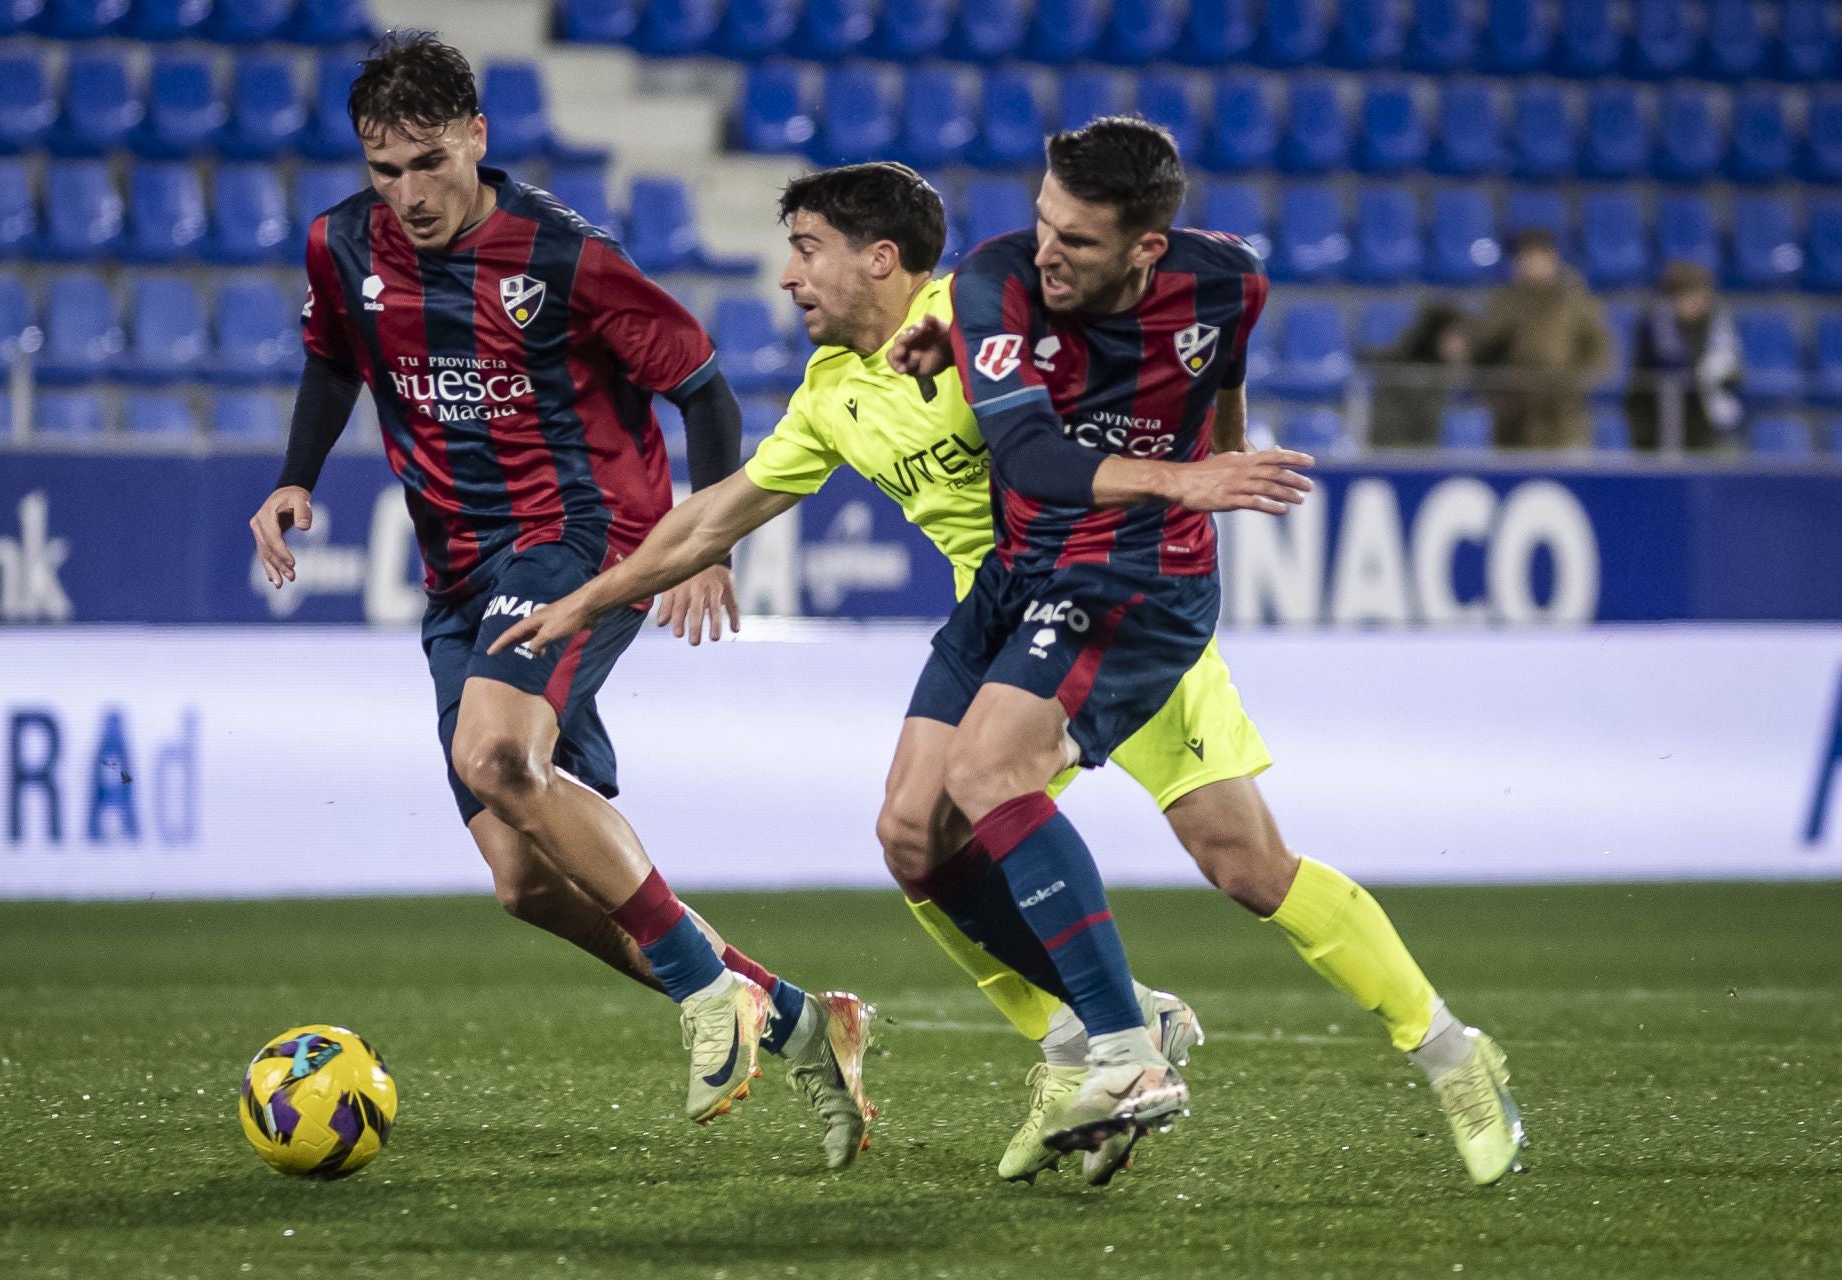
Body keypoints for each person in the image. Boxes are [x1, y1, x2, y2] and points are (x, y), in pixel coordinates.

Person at [496, 135, 1525, 1189]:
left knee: (1246, 863)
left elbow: (1193, 342)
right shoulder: (832, 392)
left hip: (1115, 590)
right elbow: (715, 514)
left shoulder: (985, 306)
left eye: (806, 248)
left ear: (884, 259)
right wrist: (591, 597)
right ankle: (1087, 1039)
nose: (787, 275)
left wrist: (1212, 452)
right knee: (912, 835)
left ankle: (1447, 1049)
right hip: (1003, 610)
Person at [244, 30, 874, 1169]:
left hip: (584, 536)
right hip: (457, 571)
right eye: (385, 170)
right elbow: (334, 360)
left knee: (497, 754)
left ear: (476, 137)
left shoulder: (566, 257)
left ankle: (701, 992)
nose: (408, 194)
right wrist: (293, 475)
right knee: (525, 878)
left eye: (429, 162)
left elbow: (702, 385)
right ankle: (792, 1016)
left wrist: (707, 544)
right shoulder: (342, 245)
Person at [1475, 229, 1611, 449]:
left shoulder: (1574, 299)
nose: (1530, 263)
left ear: (1551, 259)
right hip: (1513, 418)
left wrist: (1574, 381)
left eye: (1536, 256)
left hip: (1563, 416)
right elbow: (1482, 347)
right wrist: (1496, 391)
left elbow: (1598, 347)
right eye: (1524, 257)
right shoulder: (1504, 299)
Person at [1627, 260, 1743, 452]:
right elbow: (1661, 368)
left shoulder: (1720, 327)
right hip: (1658, 428)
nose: (1694, 302)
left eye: (1699, 294)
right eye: (1685, 296)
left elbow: (1734, 373)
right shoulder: (1653, 326)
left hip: (1711, 427)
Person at [1366, 303, 1474, 448]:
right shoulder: (1415, 379)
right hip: (1399, 454)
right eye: (1457, 335)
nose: (1463, 344)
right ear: (1436, 336)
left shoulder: (1436, 375)